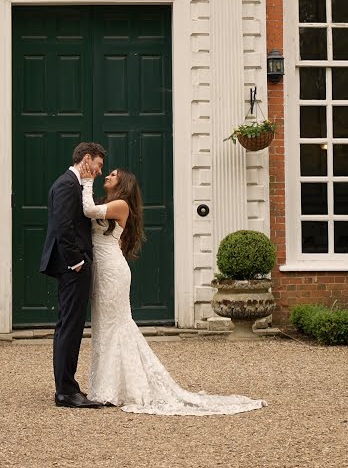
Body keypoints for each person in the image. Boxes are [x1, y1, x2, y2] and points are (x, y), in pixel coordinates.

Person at [79, 164, 266, 416]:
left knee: (118, 324)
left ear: (123, 184)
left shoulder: (121, 204)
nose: (108, 176)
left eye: (113, 175)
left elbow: (89, 210)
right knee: (104, 326)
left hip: (113, 271)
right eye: (108, 173)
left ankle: (117, 389)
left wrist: (87, 180)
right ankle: (108, 385)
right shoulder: (110, 204)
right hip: (102, 270)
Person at [39, 141, 107, 409]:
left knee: (68, 324)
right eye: (99, 165)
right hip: (72, 266)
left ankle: (65, 386)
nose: (100, 172)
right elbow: (63, 227)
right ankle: (66, 391)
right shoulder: (67, 184)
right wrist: (77, 262)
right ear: (87, 159)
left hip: (71, 265)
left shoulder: (70, 183)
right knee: (70, 325)